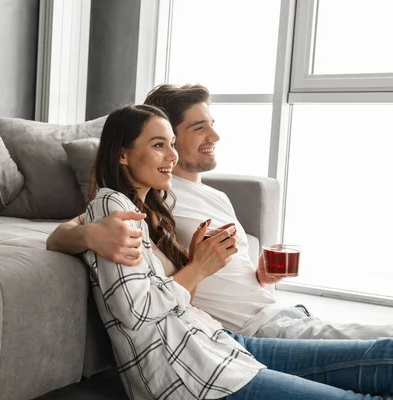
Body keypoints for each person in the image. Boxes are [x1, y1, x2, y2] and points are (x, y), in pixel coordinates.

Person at [79, 103, 393, 399]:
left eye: (172, 144)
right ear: (122, 155)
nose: (171, 156)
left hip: (219, 344)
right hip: (193, 373)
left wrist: (201, 265)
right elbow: (137, 313)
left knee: (385, 354)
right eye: (159, 145)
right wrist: (198, 267)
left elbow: (171, 303)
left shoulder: (150, 211)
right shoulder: (112, 207)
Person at [47, 84, 393, 339]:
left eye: (211, 123)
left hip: (281, 313)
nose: (214, 134)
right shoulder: (150, 197)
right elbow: (63, 233)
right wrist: (91, 234)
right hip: (257, 330)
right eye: (198, 127)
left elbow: (226, 272)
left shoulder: (215, 196)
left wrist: (261, 275)